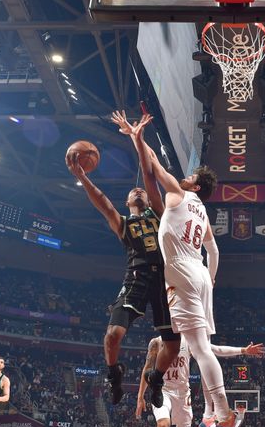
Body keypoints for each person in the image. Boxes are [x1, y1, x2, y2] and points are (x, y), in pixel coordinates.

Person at [122, 111, 239, 427]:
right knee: (196, 346)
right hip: (200, 273)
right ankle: (214, 412)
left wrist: (138, 138)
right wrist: (211, 283)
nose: (183, 178)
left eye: (189, 177)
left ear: (195, 185)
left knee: (200, 349)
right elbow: (215, 252)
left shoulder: (178, 193)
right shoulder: (202, 211)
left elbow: (153, 167)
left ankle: (223, 412)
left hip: (183, 273)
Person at [67, 122, 182, 407]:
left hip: (165, 279)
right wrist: (83, 177)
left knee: (173, 344)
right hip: (137, 276)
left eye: (141, 191)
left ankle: (155, 380)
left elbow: (148, 176)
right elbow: (104, 203)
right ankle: (114, 375)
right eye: (134, 193)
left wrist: (138, 140)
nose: (138, 191)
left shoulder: (159, 212)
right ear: (128, 201)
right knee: (112, 335)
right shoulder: (123, 223)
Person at [136, 336, 265, 427]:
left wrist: (243, 350)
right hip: (163, 390)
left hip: (183, 393)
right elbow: (147, 369)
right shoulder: (156, 342)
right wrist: (140, 397)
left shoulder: (189, 340)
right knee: (163, 424)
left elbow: (214, 350)